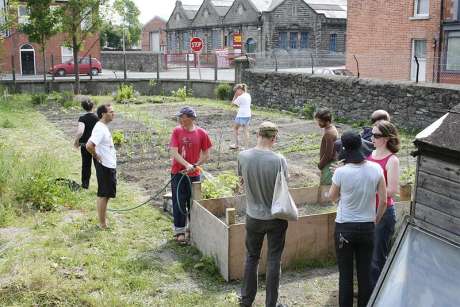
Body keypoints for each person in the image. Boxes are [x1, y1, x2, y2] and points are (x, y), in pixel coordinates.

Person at [328, 130, 387, 307]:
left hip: (344, 228)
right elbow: (383, 201)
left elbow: (332, 197)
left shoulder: (341, 173)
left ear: (345, 150)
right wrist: (375, 220)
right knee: (365, 274)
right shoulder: (376, 168)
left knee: (345, 275)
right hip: (367, 227)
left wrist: (334, 192)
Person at [238, 121, 288, 307]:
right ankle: (271, 304)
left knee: (252, 257)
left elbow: (241, 183)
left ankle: (246, 300)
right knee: (274, 259)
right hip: (276, 217)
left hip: (253, 217)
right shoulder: (279, 160)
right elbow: (284, 187)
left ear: (257, 135)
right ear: (274, 138)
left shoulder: (243, 156)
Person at [169, 106, 212, 244]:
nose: (180, 119)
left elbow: (206, 154)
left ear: (189, 118)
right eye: (179, 117)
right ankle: (179, 231)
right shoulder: (177, 131)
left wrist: (195, 164)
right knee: (179, 202)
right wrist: (186, 164)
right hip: (178, 173)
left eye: (182, 117)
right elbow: (174, 152)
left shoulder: (202, 133)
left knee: (193, 202)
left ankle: (192, 228)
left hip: (194, 174)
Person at [367, 120, 400, 288]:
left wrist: (368, 189)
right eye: (371, 133)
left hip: (384, 211)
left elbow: (392, 190)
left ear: (386, 138)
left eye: (376, 135)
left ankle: (377, 295)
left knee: (377, 258)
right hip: (368, 210)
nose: (372, 138)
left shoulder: (392, 160)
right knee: (367, 254)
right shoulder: (371, 154)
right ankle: (369, 290)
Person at [86, 104, 117, 229]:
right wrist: (96, 155)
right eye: (111, 111)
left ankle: (103, 220)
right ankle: (102, 224)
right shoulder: (100, 128)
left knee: (106, 194)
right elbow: (89, 145)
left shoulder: (103, 127)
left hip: (108, 164)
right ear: (103, 114)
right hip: (104, 165)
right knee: (103, 194)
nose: (113, 113)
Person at [73, 98, 99, 189]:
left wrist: (76, 142)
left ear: (83, 107)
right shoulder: (98, 118)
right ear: (93, 106)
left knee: (86, 165)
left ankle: (85, 185)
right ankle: (102, 185)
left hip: (85, 145)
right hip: (96, 145)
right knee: (99, 166)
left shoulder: (82, 118)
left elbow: (80, 132)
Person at [315, 109, 338, 185]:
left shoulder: (329, 133)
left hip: (329, 165)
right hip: (330, 163)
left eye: (320, 121)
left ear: (327, 121)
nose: (318, 123)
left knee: (325, 188)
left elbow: (328, 154)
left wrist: (320, 165)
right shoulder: (330, 128)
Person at [230, 83, 251, 150]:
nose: (236, 92)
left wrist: (235, 96)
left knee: (239, 129)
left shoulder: (240, 97)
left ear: (240, 89)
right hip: (247, 115)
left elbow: (232, 104)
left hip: (242, 115)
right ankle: (245, 147)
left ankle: (237, 145)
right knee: (242, 130)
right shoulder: (248, 95)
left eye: (236, 91)